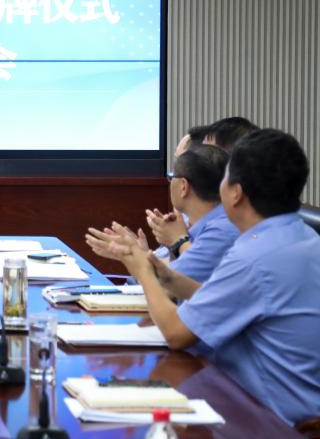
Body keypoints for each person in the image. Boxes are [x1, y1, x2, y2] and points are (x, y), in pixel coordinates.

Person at [86, 129, 319, 426]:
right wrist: (166, 276)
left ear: (235, 193)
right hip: (291, 405)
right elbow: (222, 298)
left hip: (264, 419)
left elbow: (176, 334)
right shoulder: (302, 237)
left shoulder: (253, 256)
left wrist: (143, 272)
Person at [90, 144, 238, 283]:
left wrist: (177, 241)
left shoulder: (220, 231)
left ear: (183, 186)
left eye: (171, 177)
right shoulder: (203, 225)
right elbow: (175, 273)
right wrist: (140, 253)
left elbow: (173, 286)